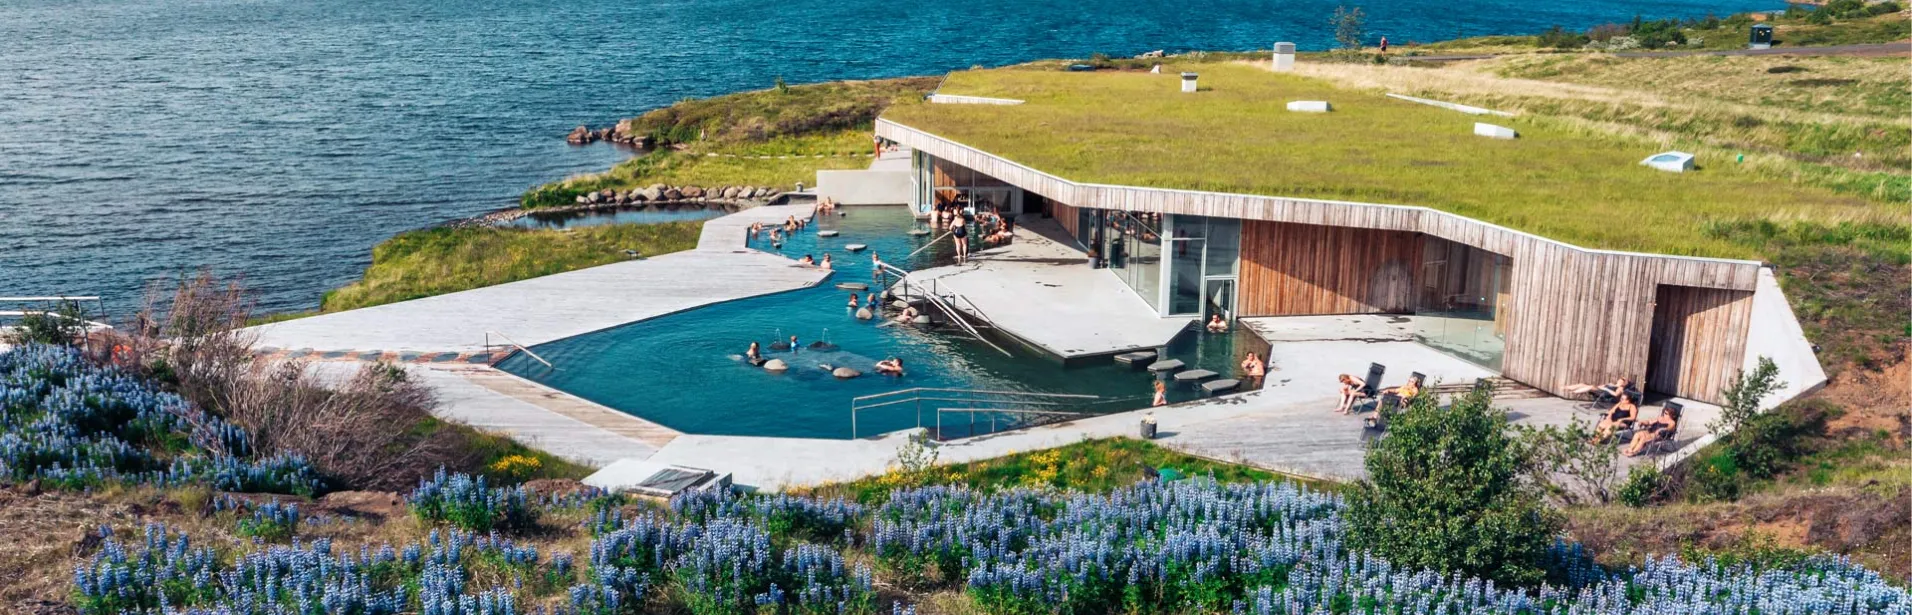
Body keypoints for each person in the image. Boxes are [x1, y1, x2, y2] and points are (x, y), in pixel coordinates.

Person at [1565, 377, 1631, 400]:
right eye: (1620, 379)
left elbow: (1616, 395)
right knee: (1582, 384)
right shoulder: (1612, 384)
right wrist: (1601, 387)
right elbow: (1601, 386)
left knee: (1590, 387)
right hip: (1600, 389)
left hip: (1603, 393)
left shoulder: (1620, 388)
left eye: (1622, 380)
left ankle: (1574, 392)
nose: (1620, 380)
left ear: (1624, 383)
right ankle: (1566, 388)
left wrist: (1606, 389)